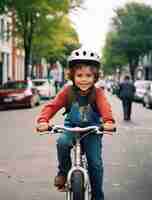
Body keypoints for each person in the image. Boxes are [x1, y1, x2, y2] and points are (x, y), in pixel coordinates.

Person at [36, 48, 115, 200]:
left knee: (95, 164)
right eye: (79, 75)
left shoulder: (98, 93)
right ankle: (63, 172)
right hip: (71, 127)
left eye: (88, 76)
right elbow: (52, 106)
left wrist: (108, 121)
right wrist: (43, 120)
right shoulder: (67, 91)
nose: (84, 79)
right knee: (62, 142)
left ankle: (97, 195)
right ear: (72, 75)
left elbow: (105, 107)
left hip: (92, 131)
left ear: (95, 77)